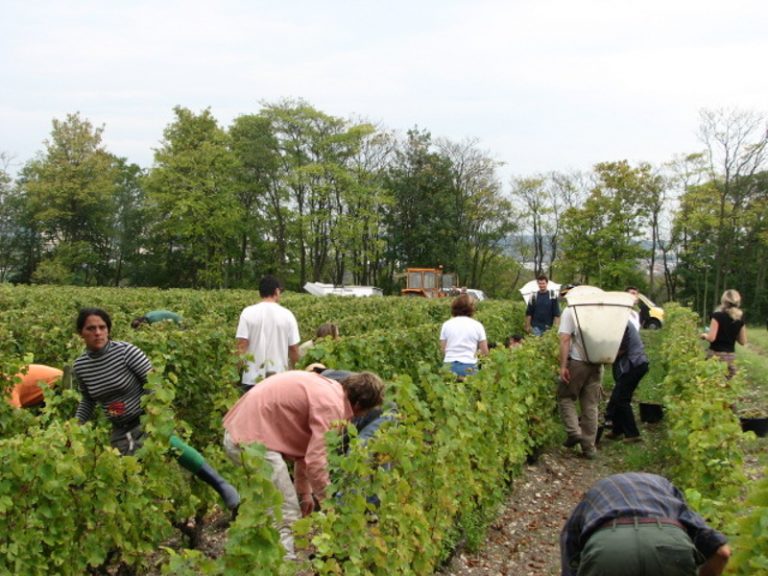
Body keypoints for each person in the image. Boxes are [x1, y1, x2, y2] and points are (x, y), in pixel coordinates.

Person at [73, 307, 240, 511]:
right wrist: (75, 426)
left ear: (108, 330)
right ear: (81, 333)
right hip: (119, 429)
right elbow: (88, 400)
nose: (98, 333)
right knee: (124, 475)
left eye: (102, 327)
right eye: (91, 328)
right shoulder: (81, 367)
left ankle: (221, 485)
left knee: (171, 443)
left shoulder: (126, 352)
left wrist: (153, 414)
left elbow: (154, 382)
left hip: (146, 419)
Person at [222, 370, 385, 558]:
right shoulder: (332, 406)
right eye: (363, 412)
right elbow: (316, 462)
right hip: (249, 440)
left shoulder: (330, 390)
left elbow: (306, 450)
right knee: (285, 509)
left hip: (246, 433)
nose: (357, 418)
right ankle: (285, 563)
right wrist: (328, 503)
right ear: (358, 404)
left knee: (273, 506)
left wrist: (304, 493)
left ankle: (261, 556)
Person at [561, 472, 731, 576]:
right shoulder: (668, 492)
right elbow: (722, 552)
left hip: (609, 550)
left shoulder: (594, 496)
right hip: (669, 546)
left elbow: (569, 542)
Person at [236, 275, 301, 393]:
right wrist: (299, 373)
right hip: (279, 379)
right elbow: (293, 349)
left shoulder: (247, 312)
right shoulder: (288, 315)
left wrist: (235, 374)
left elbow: (242, 346)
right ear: (276, 291)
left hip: (251, 379)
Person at [558, 300, 601, 459]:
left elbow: (565, 339)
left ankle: (574, 432)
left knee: (565, 397)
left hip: (577, 361)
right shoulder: (599, 309)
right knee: (590, 405)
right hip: (597, 363)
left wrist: (563, 366)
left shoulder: (571, 310)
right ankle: (589, 448)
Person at [604, 322, 649, 442]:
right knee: (617, 396)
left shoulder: (621, 323)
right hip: (633, 365)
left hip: (634, 365)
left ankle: (632, 434)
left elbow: (621, 349)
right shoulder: (621, 321)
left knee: (621, 399)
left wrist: (603, 357)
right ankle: (617, 430)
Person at [700, 289, 747, 379]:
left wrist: (704, 335)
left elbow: (711, 338)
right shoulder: (740, 318)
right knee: (727, 384)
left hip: (715, 355)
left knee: (711, 383)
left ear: (723, 301)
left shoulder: (717, 316)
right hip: (730, 357)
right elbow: (743, 341)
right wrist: (732, 332)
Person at [439, 294, 489, 378]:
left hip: (449, 366)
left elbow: (443, 349)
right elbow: (485, 352)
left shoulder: (446, 325)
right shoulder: (477, 326)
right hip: (469, 366)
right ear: (471, 308)